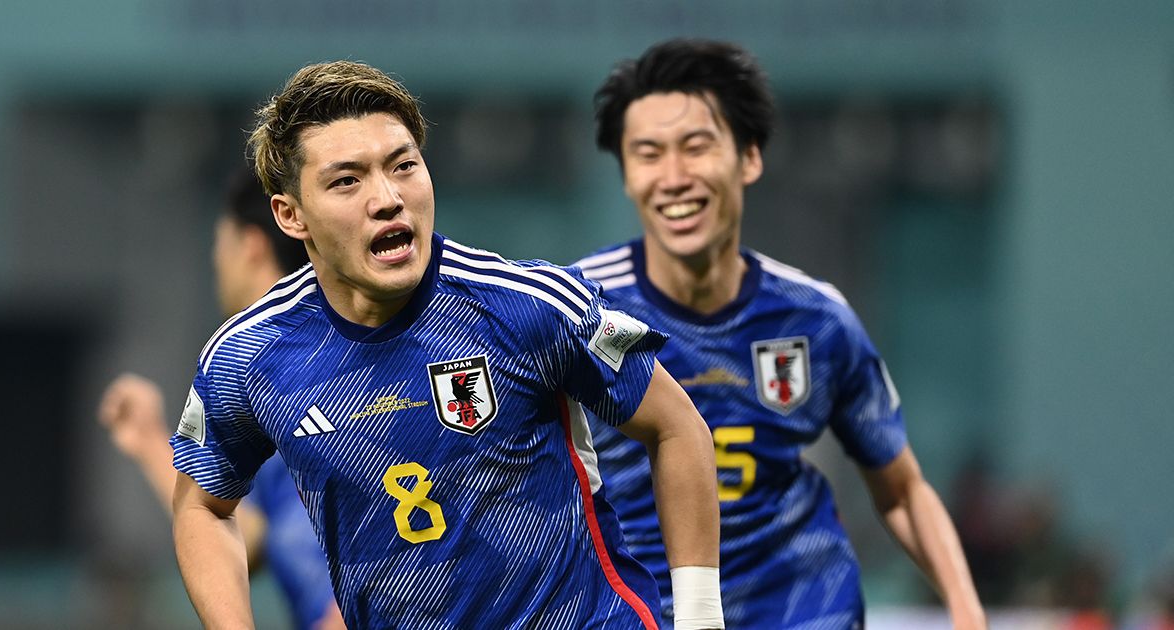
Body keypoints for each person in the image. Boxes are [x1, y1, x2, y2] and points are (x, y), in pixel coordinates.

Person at [169, 60, 724, 629]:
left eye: (403, 166)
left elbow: (677, 426)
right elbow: (202, 507)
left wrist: (702, 617)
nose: (387, 198)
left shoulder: (529, 304)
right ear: (291, 215)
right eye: (346, 181)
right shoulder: (247, 357)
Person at [576, 38, 986, 629]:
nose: (673, 177)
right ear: (626, 176)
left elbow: (901, 490)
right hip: (652, 610)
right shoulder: (582, 309)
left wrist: (968, 612)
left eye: (696, 147)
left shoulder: (815, 317)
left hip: (800, 607)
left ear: (749, 157)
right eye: (647, 154)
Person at [97, 170, 345, 630]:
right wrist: (152, 441)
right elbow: (250, 538)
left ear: (251, 244)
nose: (216, 260)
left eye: (220, 244)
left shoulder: (314, 365)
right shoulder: (254, 374)